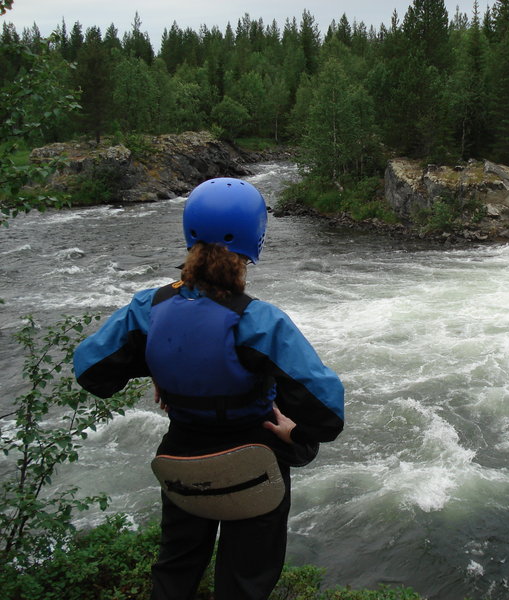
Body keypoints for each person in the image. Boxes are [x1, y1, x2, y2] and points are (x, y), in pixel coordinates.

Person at [73, 177, 345, 600]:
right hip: (252, 463)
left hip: (182, 458)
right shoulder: (260, 321)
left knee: (175, 570)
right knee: (244, 582)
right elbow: (327, 414)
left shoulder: (148, 307)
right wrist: (297, 434)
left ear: (189, 234)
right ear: (256, 240)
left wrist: (159, 366)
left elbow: (92, 372)